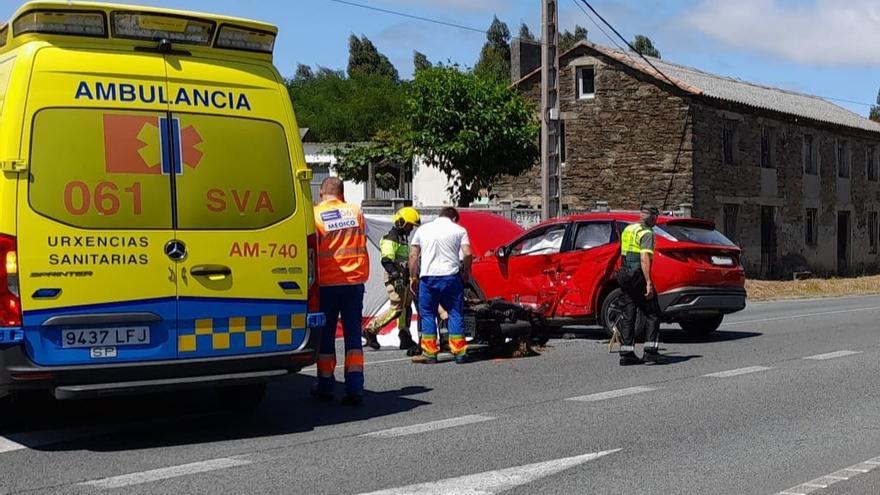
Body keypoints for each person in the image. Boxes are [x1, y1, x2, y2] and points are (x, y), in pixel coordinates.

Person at [312, 177, 369, 405]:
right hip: (354, 283)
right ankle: (355, 386)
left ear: (321, 193)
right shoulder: (355, 212)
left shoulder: (316, 215)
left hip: (326, 285)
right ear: (342, 194)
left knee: (325, 336)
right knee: (353, 334)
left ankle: (325, 384)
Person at [408, 207, 472, 364]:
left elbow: (413, 255)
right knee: (455, 312)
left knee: (428, 313)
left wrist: (412, 277)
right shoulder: (459, 230)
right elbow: (468, 253)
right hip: (451, 277)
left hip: (428, 278)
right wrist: (466, 272)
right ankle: (459, 352)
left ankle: (429, 353)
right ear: (454, 219)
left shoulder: (423, 230)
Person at [361, 207, 421, 352]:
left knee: (406, 307)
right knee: (397, 309)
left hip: (404, 277)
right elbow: (387, 260)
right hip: (395, 277)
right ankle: (370, 330)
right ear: (401, 223)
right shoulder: (391, 238)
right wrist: (395, 276)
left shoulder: (402, 237)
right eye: (409, 225)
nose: (411, 228)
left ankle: (404, 334)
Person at [616, 205, 664, 366]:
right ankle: (650, 352)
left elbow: (623, 252)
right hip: (637, 275)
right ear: (651, 217)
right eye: (656, 217)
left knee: (628, 314)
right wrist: (648, 282)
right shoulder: (647, 233)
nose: (656, 220)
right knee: (652, 312)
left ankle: (626, 353)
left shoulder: (629, 229)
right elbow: (644, 258)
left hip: (624, 274)